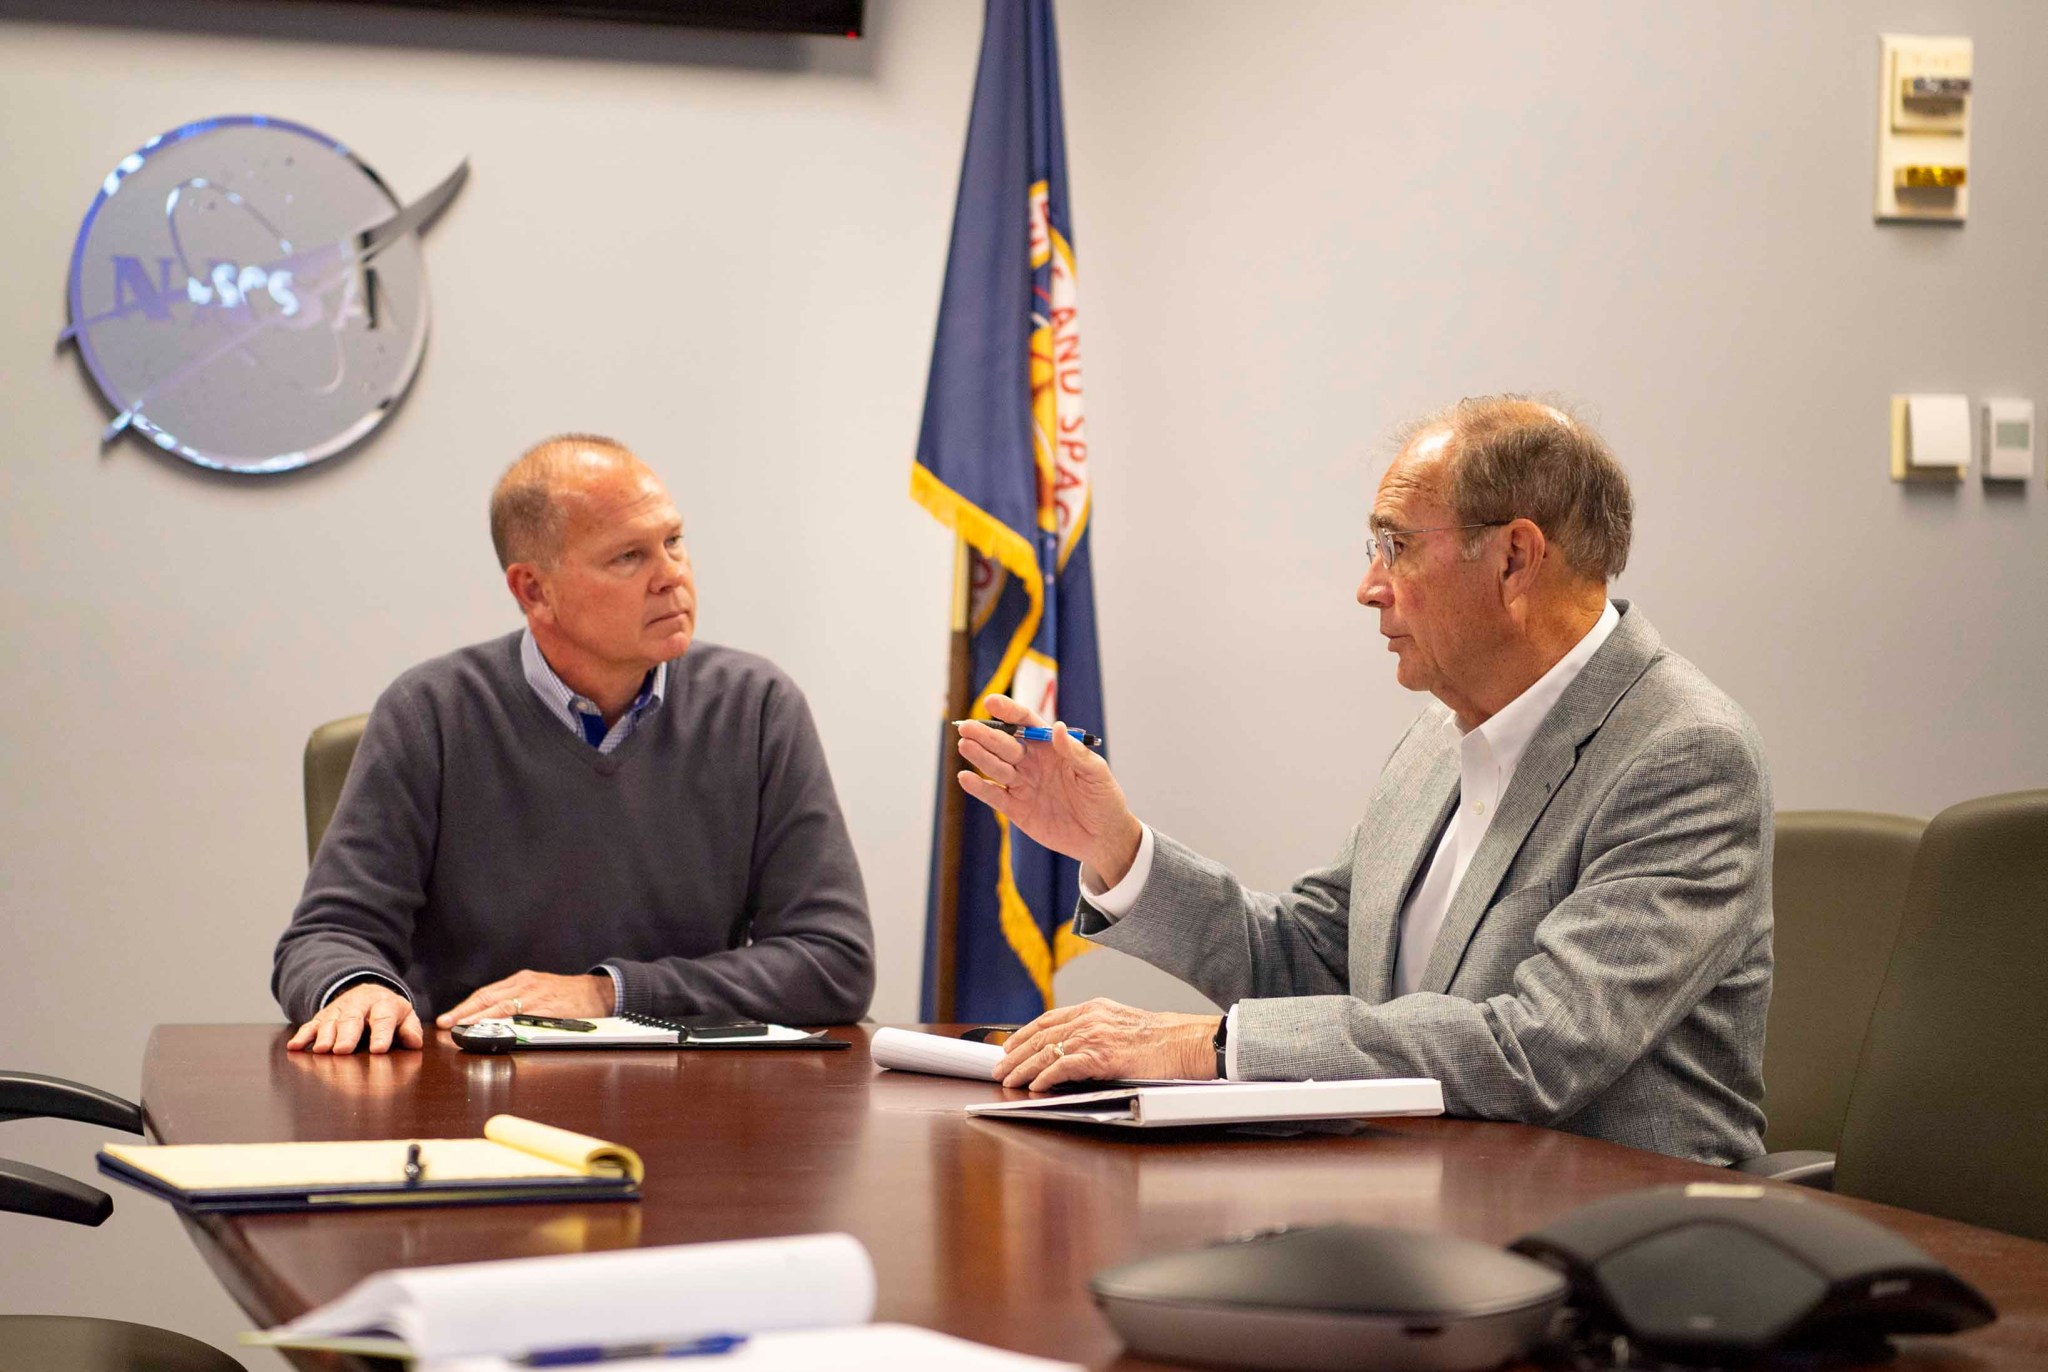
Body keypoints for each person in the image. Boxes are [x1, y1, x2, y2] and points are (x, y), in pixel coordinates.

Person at [958, 396, 1772, 1165]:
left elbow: (1539, 1048)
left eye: (1397, 546)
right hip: (1416, 1194)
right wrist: (1115, 846)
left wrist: (1205, 1046)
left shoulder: (1683, 754)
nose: (1368, 586)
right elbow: (1309, 963)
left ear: (1516, 559)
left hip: (1622, 1236)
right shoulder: (1436, 736)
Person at [274, 434, 875, 1054]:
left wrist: (609, 994)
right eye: (628, 558)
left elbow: (833, 960)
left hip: (693, 1098)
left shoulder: (756, 707)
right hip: (472, 1092)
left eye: (672, 541)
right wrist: (360, 988)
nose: (672, 577)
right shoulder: (431, 711)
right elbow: (326, 936)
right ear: (534, 591)